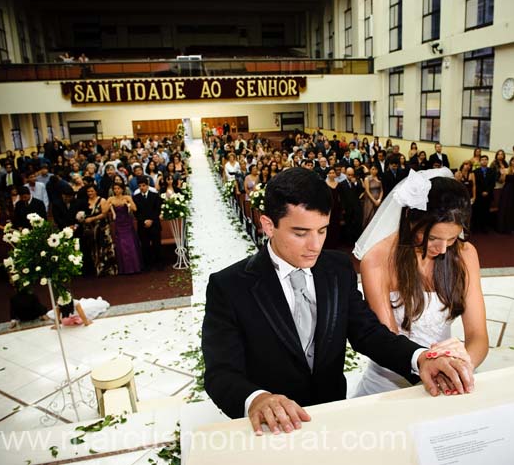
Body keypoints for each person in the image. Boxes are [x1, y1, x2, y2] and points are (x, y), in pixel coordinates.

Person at [202, 168, 474, 434]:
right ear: (268, 225)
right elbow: (221, 373)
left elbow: (368, 332)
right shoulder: (229, 286)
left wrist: (420, 358)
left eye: (322, 230)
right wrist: (256, 399)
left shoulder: (337, 269)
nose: (315, 245)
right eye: (300, 233)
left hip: (331, 416)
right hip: (271, 429)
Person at [353, 169, 488, 396]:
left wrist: (462, 366)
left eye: (453, 238)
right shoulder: (377, 260)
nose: (443, 249)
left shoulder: (466, 254)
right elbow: (388, 341)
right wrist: (433, 367)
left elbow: (478, 336)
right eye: (433, 238)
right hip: (390, 383)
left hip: (448, 380)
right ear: (410, 220)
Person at [81, 184, 118, 276]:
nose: (90, 193)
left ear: (96, 191)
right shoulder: (85, 202)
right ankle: (97, 269)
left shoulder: (102, 200)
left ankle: (109, 269)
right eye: (88, 191)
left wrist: (92, 219)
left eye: (92, 191)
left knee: (104, 247)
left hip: (102, 228)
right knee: (94, 248)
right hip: (90, 230)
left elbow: (104, 214)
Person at [109, 183, 142, 274]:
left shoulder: (127, 197)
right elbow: (104, 211)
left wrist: (128, 204)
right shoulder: (111, 199)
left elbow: (135, 209)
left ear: (122, 189)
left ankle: (135, 267)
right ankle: (124, 269)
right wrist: (109, 205)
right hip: (118, 224)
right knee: (121, 245)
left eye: (118, 188)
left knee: (130, 243)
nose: (116, 190)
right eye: (115, 188)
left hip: (127, 223)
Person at [133, 177, 163, 271]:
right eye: (140, 186)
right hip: (143, 225)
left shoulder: (155, 195)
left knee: (156, 244)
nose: (142, 187)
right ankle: (147, 265)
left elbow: (157, 209)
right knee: (145, 246)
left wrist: (151, 220)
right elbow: (136, 213)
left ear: (147, 185)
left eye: (143, 185)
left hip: (154, 224)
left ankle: (159, 263)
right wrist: (144, 221)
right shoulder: (136, 198)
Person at [472, 155, 496, 233]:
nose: (484, 161)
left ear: (488, 161)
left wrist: (487, 191)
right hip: (479, 195)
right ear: (480, 161)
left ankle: (484, 227)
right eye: (482, 160)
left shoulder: (492, 171)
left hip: (488, 195)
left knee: (486, 211)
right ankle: (476, 227)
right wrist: (481, 192)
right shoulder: (476, 171)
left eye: (486, 159)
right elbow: (476, 184)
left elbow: (492, 183)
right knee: (477, 211)